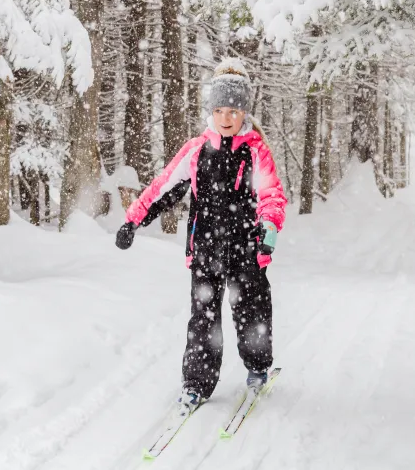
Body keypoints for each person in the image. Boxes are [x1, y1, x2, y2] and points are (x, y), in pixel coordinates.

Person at [115, 58, 287, 416]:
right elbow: (163, 188)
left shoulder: (255, 151)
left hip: (247, 251)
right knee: (203, 321)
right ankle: (196, 384)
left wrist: (268, 232)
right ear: (212, 110)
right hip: (206, 250)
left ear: (244, 113)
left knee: (252, 313)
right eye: (220, 109)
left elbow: (272, 196)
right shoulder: (197, 150)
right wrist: (133, 221)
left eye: (234, 111)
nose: (226, 117)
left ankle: (258, 369)